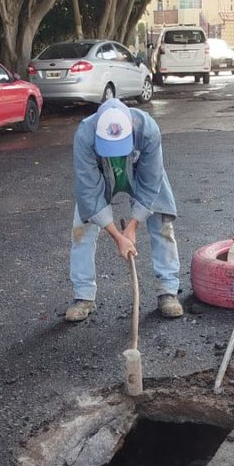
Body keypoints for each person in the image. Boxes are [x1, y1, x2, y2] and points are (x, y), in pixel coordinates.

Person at [65, 97, 183, 322]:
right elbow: (88, 191)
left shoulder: (147, 130)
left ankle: (168, 290)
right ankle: (83, 296)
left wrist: (132, 226)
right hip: (101, 175)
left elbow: (151, 182)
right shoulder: (85, 135)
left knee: (162, 221)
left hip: (139, 171)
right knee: (81, 230)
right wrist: (118, 236)